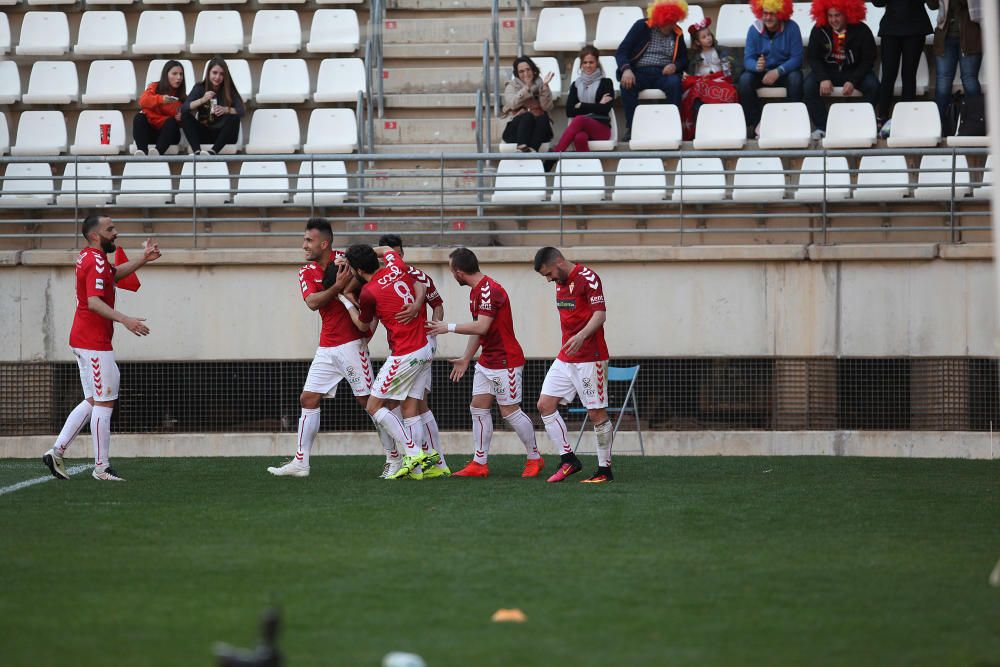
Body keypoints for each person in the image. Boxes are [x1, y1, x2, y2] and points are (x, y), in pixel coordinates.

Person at [267, 219, 404, 479]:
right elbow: (312, 302)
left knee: (369, 403)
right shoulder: (306, 271)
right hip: (327, 347)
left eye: (309, 240)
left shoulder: (345, 260)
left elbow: (371, 278)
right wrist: (338, 288)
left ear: (324, 243)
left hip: (352, 345)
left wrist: (369, 323)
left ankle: (395, 457)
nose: (304, 245)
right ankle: (301, 462)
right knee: (308, 399)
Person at [41, 214, 161, 482]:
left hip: (87, 340)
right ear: (95, 235)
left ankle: (57, 451)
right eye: (110, 229)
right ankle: (101, 467)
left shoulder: (90, 257)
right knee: (104, 402)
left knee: (95, 400)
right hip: (92, 342)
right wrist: (126, 319)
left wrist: (143, 259)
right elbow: (94, 302)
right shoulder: (95, 261)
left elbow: (114, 275)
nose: (115, 233)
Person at [426, 248, 544, 478]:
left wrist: (446, 327)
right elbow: (478, 329)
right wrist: (466, 358)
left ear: (459, 272)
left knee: (509, 412)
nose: (452, 275)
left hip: (505, 361)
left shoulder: (490, 290)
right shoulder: (476, 291)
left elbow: (481, 327)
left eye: (452, 271)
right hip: (487, 361)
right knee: (478, 408)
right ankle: (479, 463)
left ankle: (534, 457)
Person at [344, 244, 443, 480]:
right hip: (424, 347)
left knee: (373, 406)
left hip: (405, 353)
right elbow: (417, 281)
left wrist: (345, 300)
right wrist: (419, 303)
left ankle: (413, 450)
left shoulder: (368, 293)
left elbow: (362, 325)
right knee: (410, 409)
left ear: (358, 270)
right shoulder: (397, 264)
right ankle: (418, 470)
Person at [533, 247, 614, 484]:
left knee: (596, 413)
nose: (549, 280)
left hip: (591, 356)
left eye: (549, 274)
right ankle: (569, 460)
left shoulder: (588, 277)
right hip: (567, 357)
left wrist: (581, 336)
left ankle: (604, 470)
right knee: (545, 404)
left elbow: (600, 314)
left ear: (558, 261)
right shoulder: (560, 281)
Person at [376, 234, 450, 477]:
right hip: (402, 347)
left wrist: (433, 328)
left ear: (402, 255)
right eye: (390, 255)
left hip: (418, 345)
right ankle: (430, 463)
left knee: (412, 404)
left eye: (397, 255)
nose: (394, 259)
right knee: (409, 404)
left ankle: (421, 460)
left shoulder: (417, 275)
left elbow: (437, 303)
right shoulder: (382, 279)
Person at [804, 0, 879, 139]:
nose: (833, 20)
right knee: (808, 86)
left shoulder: (862, 30)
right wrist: (823, 78)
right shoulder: (819, 29)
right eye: (830, 15)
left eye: (837, 15)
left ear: (847, 14)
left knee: (873, 86)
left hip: (854, 71)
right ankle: (823, 127)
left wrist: (853, 80)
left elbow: (868, 59)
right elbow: (813, 57)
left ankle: (859, 125)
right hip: (828, 71)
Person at [615, 0, 689, 139]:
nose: (674, 25)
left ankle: (672, 127)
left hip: (663, 74)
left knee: (675, 83)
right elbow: (622, 51)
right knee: (626, 85)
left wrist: (675, 66)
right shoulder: (641, 26)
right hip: (640, 72)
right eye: (670, 22)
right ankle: (633, 128)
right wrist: (626, 69)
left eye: (675, 21)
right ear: (661, 20)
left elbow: (684, 59)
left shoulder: (677, 33)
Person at [738, 0, 804, 136]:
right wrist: (756, 66)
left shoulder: (792, 28)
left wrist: (779, 71)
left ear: (780, 13)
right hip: (761, 72)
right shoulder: (754, 29)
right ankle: (756, 124)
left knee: (796, 79)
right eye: (765, 13)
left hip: (784, 71)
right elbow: (747, 59)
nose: (767, 17)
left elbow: (797, 58)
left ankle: (792, 121)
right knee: (745, 80)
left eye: (772, 14)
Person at [873, 0, 936, 128]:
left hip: (915, 28)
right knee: (888, 75)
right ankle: (882, 117)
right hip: (891, 28)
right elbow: (878, 3)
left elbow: (933, 5)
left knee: (909, 75)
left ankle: (906, 117)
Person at [681, 17, 740, 140]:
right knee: (695, 94)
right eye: (703, 37)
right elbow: (691, 73)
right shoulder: (694, 56)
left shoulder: (722, 50)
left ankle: (727, 127)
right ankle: (701, 128)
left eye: (709, 35)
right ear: (697, 42)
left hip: (720, 81)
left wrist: (729, 67)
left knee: (730, 91)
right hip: (703, 82)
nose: (708, 38)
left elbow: (733, 69)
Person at [551, 46, 615, 153]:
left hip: (601, 129)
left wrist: (581, 105)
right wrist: (598, 105)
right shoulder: (576, 85)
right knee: (579, 138)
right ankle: (588, 167)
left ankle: (554, 157)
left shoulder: (606, 83)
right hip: (581, 129)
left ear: (597, 63)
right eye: (585, 62)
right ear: (581, 65)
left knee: (580, 119)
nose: (588, 65)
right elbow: (569, 111)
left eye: (591, 62)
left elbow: (605, 109)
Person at [932, 0, 982, 133]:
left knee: (970, 79)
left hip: (970, 36)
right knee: (943, 82)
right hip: (945, 37)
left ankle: (976, 124)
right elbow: (932, 6)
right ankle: (939, 127)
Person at [180, 57, 245, 156]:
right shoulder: (200, 88)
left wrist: (226, 109)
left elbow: (242, 111)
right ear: (208, 73)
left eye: (222, 74)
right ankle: (197, 151)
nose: (218, 77)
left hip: (224, 135)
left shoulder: (229, 89)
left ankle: (213, 151)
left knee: (234, 117)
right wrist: (202, 100)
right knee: (185, 116)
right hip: (205, 132)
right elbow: (184, 108)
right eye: (214, 73)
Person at [502, 56, 555, 152]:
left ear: (533, 71)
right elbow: (513, 104)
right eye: (521, 71)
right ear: (517, 74)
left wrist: (545, 88)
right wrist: (527, 88)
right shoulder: (511, 86)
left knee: (543, 118)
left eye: (528, 70)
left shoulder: (541, 84)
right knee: (527, 116)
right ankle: (521, 146)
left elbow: (547, 107)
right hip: (516, 132)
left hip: (539, 130)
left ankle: (531, 152)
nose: (525, 74)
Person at [133, 60, 185, 156]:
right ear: (166, 75)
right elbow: (143, 101)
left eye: (181, 74)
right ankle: (142, 152)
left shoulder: (182, 97)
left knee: (171, 122)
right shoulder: (155, 86)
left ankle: (157, 153)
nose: (179, 77)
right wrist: (161, 99)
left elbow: (178, 119)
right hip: (152, 131)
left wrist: (181, 119)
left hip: (169, 135)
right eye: (174, 74)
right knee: (139, 118)